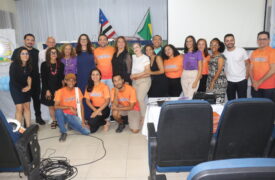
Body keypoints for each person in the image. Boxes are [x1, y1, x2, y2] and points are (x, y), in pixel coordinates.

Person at [11, 33, 45, 125]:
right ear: (24, 40)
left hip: (35, 80)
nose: (30, 41)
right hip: (22, 82)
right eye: (28, 39)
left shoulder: (37, 52)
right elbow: (13, 66)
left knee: (36, 100)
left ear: (34, 42)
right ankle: (24, 123)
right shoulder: (17, 51)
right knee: (21, 105)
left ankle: (38, 117)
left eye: (32, 40)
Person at [54, 73, 90, 142]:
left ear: (75, 82)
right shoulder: (60, 91)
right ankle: (63, 132)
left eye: (73, 80)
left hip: (73, 115)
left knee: (87, 132)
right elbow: (55, 106)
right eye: (69, 80)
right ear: (65, 81)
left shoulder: (77, 90)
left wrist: (83, 121)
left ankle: (71, 124)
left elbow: (82, 107)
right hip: (63, 115)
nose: (71, 82)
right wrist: (68, 107)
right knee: (58, 111)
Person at [41, 47, 64, 129]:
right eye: (51, 52)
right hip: (48, 89)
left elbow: (62, 78)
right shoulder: (44, 64)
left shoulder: (61, 65)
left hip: (58, 89)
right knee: (51, 106)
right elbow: (43, 79)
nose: (53, 54)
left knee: (57, 106)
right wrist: (47, 90)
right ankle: (54, 121)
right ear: (48, 54)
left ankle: (60, 121)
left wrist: (62, 90)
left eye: (55, 52)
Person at [9, 47, 32, 128]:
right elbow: (13, 80)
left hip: (26, 87)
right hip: (15, 88)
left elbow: (29, 77)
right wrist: (22, 89)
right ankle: (18, 129)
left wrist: (29, 86)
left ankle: (29, 128)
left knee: (27, 107)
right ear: (19, 55)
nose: (25, 55)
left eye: (27, 53)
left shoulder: (28, 65)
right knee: (19, 108)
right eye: (23, 53)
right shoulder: (14, 65)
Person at [250, 31, 275, 102]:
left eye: (264, 39)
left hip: (269, 88)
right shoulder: (254, 52)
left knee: (268, 110)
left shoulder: (273, 52)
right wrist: (253, 82)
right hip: (255, 87)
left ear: (269, 40)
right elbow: (250, 69)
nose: (262, 41)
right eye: (260, 39)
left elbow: (273, 70)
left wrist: (259, 82)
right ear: (257, 40)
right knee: (256, 108)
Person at [224, 34, 249, 100]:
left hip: (242, 80)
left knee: (243, 101)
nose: (229, 42)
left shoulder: (241, 50)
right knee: (231, 101)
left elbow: (248, 63)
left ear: (234, 41)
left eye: (231, 40)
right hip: (229, 81)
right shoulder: (223, 53)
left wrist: (247, 76)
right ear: (225, 42)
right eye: (227, 41)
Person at [76, 34, 95, 120]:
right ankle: (82, 117)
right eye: (81, 39)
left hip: (91, 78)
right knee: (81, 98)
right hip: (80, 79)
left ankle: (91, 116)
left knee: (91, 97)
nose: (83, 41)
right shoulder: (76, 52)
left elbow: (95, 65)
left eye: (85, 39)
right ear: (79, 41)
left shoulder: (92, 51)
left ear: (88, 41)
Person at [84, 69, 110, 133]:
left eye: (97, 74)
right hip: (94, 108)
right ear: (91, 76)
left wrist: (98, 111)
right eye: (93, 74)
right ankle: (103, 122)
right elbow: (87, 101)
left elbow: (107, 101)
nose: (95, 76)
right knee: (91, 130)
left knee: (91, 122)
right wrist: (95, 110)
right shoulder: (88, 87)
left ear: (100, 76)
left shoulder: (104, 86)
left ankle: (104, 122)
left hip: (104, 109)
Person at [130, 43, 151, 120]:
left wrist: (136, 75)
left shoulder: (145, 58)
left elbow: (147, 71)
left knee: (140, 98)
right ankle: (142, 116)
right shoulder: (133, 57)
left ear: (141, 47)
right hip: (135, 82)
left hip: (144, 81)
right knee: (138, 99)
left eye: (137, 47)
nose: (135, 49)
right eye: (134, 47)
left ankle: (144, 117)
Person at [206, 38, 227, 103]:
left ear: (219, 46)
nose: (213, 46)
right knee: (210, 102)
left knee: (218, 103)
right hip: (210, 80)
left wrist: (213, 82)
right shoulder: (211, 56)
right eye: (211, 44)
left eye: (215, 45)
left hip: (219, 82)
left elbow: (219, 70)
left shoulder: (220, 56)